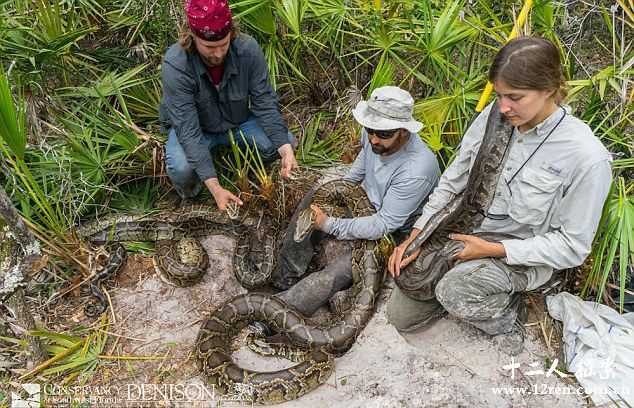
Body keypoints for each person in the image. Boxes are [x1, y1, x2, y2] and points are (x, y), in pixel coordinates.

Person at [387, 37, 612, 355]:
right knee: (401, 316)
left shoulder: (586, 158)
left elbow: (572, 248)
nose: (503, 107)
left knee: (455, 291)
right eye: (499, 95)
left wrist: (490, 250)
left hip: (518, 254)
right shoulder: (496, 117)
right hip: (461, 232)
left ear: (548, 89)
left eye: (515, 97)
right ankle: (461, 279)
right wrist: (419, 235)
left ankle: (507, 315)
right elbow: (453, 181)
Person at [251, 86, 440, 335]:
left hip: (394, 234)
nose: (373, 139)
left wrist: (329, 224)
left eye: (382, 133)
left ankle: (273, 316)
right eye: (370, 130)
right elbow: (360, 167)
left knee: (336, 273)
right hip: (365, 204)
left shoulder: (417, 169)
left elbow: (383, 225)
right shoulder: (375, 138)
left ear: (404, 131)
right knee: (314, 198)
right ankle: (284, 276)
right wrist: (337, 192)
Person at [159, 0, 298, 211]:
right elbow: (188, 131)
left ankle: (246, 165)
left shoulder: (247, 49)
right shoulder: (176, 64)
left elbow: (264, 102)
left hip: (237, 122)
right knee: (182, 169)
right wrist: (215, 187)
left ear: (231, 34)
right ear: (191, 37)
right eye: (209, 47)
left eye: (223, 45)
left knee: (284, 142)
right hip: (198, 130)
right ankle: (193, 195)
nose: (218, 54)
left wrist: (286, 150)